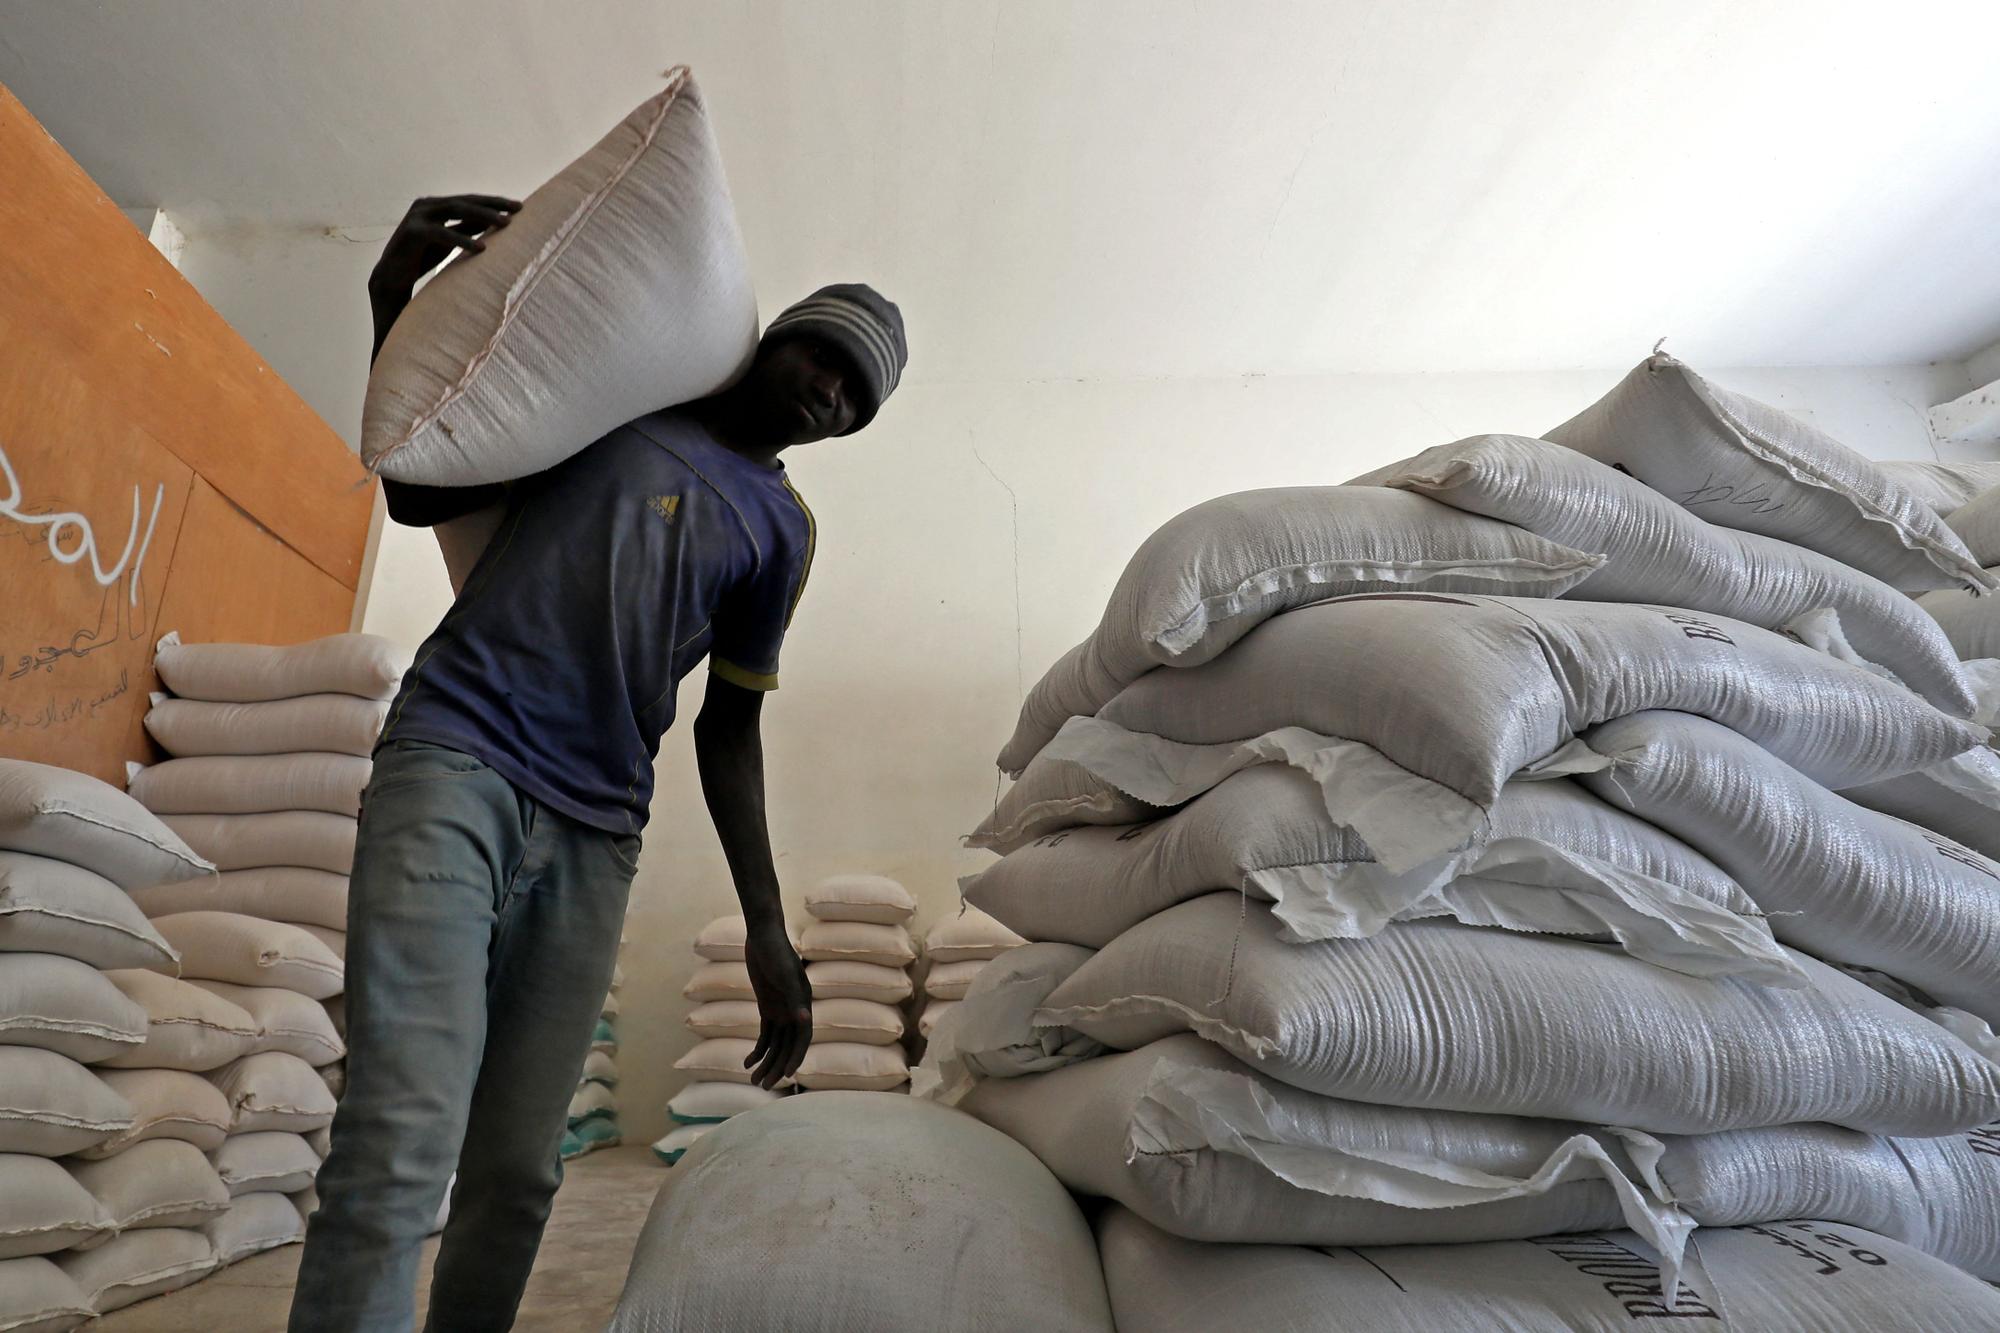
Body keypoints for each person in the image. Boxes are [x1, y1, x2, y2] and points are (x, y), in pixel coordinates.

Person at [289, 194, 908, 1333]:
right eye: (825, 354)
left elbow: (729, 724)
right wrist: (391, 303)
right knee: (399, 1133)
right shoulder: (618, 407)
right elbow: (423, 483)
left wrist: (768, 926)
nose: (830, 389)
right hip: (456, 756)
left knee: (520, 1170)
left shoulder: (782, 531)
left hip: (595, 831)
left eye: (855, 396)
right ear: (777, 334)